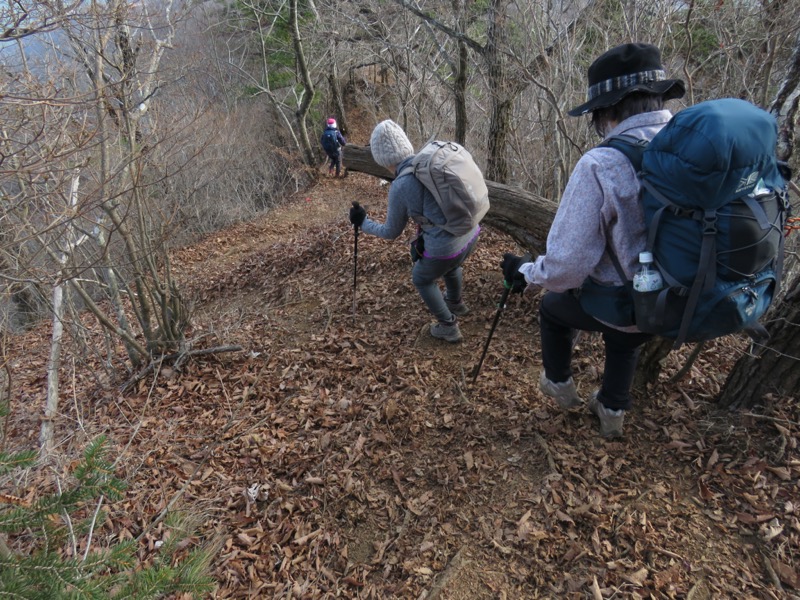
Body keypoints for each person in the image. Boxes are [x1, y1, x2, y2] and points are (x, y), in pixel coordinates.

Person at [501, 43, 686, 438]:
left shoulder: (602, 164)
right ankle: (613, 411)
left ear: (606, 110)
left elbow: (567, 268)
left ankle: (560, 384)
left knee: (554, 307)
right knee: (628, 337)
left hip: (627, 304)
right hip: (685, 296)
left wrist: (528, 270)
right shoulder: (690, 147)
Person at [349, 120, 480, 343]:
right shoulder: (429, 163)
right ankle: (456, 302)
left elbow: (391, 232)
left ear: (381, 159)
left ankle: (448, 326)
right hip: (472, 232)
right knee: (451, 265)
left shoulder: (402, 184)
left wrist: (363, 222)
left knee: (421, 277)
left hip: (447, 247)